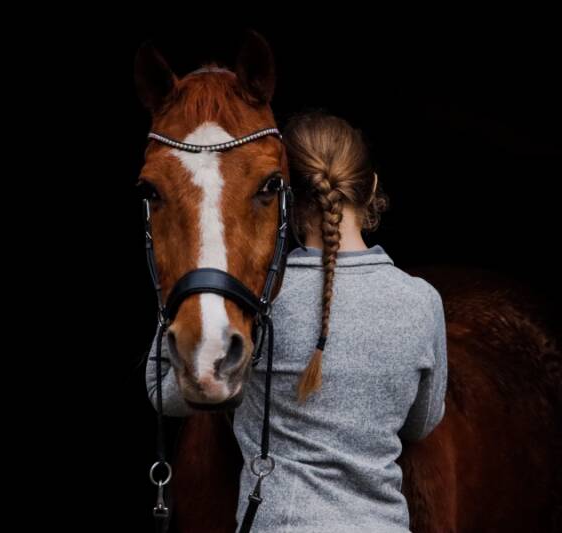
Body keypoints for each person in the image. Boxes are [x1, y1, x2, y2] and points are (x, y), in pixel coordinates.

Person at [146, 110, 448, 532]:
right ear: (372, 186)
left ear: (286, 198)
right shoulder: (422, 302)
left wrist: (190, 274)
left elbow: (166, 395)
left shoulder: (257, 305)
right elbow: (422, 423)